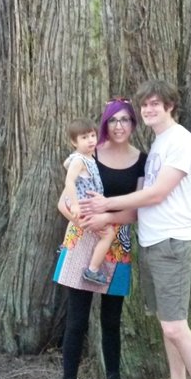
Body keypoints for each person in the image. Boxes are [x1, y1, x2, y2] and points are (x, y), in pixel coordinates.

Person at [80, 80, 191, 379]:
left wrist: (107, 205)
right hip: (153, 242)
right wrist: (107, 217)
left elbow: (157, 194)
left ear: (170, 105)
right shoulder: (158, 144)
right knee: (168, 326)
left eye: (156, 103)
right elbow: (145, 206)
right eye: (145, 105)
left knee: (175, 327)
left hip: (173, 242)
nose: (149, 109)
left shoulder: (181, 141)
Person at [53, 98, 147, 379]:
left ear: (133, 124)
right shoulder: (89, 156)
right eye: (113, 120)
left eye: (125, 120)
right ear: (103, 125)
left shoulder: (140, 160)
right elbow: (63, 202)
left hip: (118, 241)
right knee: (76, 319)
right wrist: (82, 221)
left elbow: (136, 212)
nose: (119, 126)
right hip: (83, 239)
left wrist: (108, 218)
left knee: (112, 319)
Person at [61, 118, 117, 285]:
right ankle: (92, 270)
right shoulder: (79, 160)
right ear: (74, 142)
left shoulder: (83, 157)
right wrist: (76, 205)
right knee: (109, 234)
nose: (90, 140)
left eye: (92, 135)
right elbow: (69, 181)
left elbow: (66, 164)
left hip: (87, 204)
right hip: (84, 205)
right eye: (84, 137)